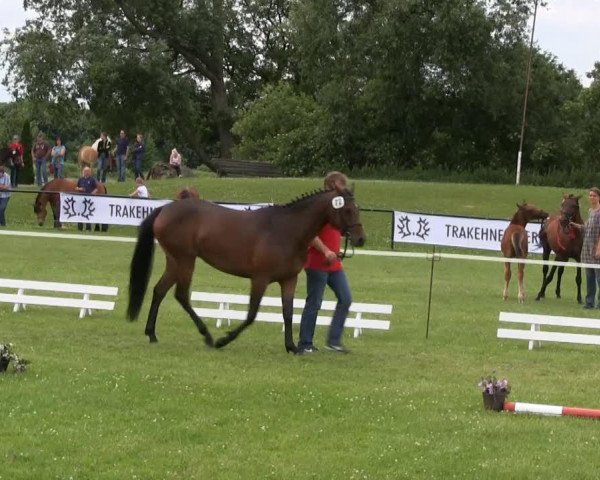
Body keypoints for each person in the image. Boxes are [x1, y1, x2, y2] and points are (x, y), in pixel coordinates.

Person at [298, 171, 353, 354]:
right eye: (340, 186)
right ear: (330, 186)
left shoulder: (337, 208)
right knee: (314, 302)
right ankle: (305, 343)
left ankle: (334, 340)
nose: (343, 190)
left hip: (334, 264)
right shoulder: (318, 208)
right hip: (317, 262)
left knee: (345, 298)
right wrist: (326, 250)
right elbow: (310, 234)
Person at [571, 187, 600, 309]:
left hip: (596, 249)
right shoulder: (590, 211)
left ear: (599, 197)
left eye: (594, 195)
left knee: (599, 278)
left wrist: (598, 249)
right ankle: (589, 302)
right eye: (590, 195)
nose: (592, 197)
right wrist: (574, 225)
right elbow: (586, 227)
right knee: (589, 277)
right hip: (587, 249)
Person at [76, 166, 98, 231]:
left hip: (89, 200)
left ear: (90, 172)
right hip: (81, 199)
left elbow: (96, 188)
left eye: (87, 171)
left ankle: (88, 228)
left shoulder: (92, 179)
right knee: (80, 213)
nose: (86, 173)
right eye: (85, 171)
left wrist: (92, 193)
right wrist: (79, 189)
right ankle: (80, 228)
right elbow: (76, 187)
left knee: (88, 213)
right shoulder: (80, 179)